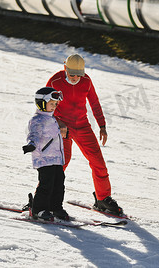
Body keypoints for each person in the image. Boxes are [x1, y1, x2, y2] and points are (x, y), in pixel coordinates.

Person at [46, 54, 123, 215]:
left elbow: (94, 102)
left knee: (98, 161)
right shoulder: (55, 82)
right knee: (61, 163)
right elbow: (45, 105)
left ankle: (103, 198)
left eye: (78, 75)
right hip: (62, 126)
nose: (75, 78)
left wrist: (102, 125)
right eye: (71, 74)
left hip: (82, 126)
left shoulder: (86, 81)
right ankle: (43, 199)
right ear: (65, 68)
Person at [22, 87, 69, 221]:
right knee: (46, 184)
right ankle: (39, 209)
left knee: (59, 183)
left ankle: (55, 207)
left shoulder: (52, 118)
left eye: (55, 104)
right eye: (51, 104)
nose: (54, 106)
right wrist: (31, 144)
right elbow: (33, 135)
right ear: (42, 103)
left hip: (56, 159)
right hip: (44, 159)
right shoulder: (37, 120)